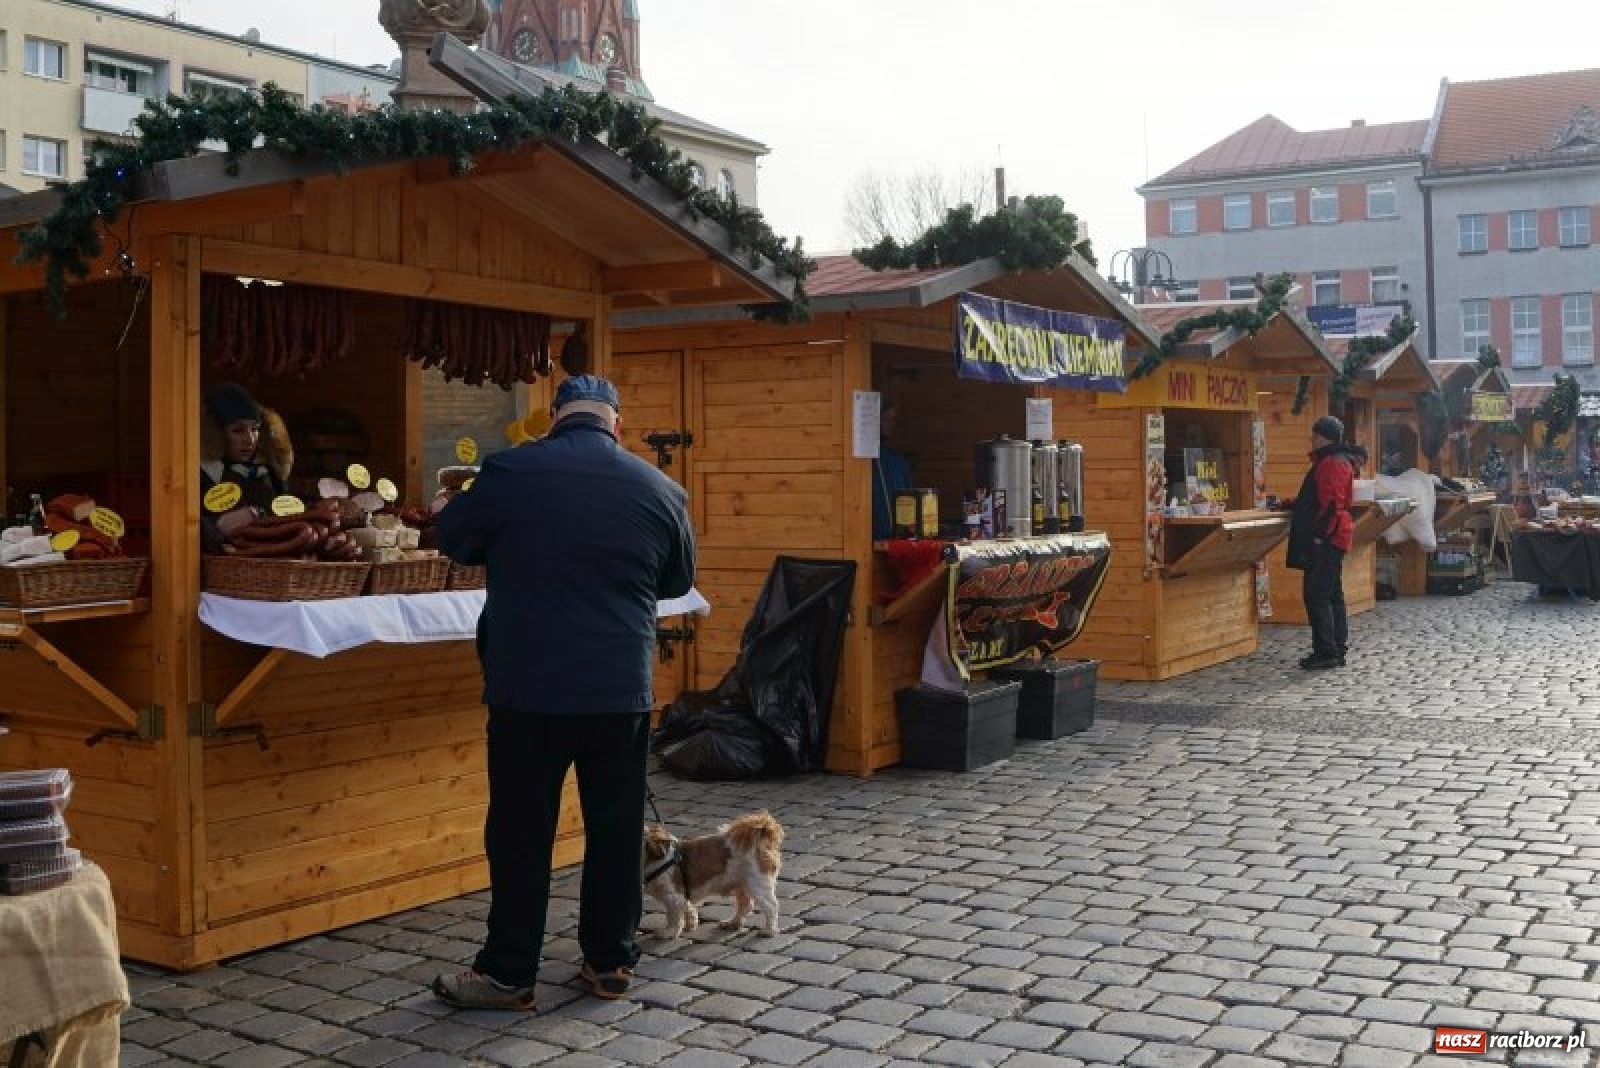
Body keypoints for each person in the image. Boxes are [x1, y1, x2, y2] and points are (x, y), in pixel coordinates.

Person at [431, 374, 696, 1011]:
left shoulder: (509, 471)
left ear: (554, 419)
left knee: (521, 832)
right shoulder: (661, 488)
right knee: (616, 828)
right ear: (617, 425)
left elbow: (454, 539)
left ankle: (507, 974)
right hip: (619, 687)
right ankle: (610, 963)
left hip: (529, 687)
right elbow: (675, 580)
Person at [1284, 414, 1358, 671]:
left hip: (1327, 538)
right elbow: (1322, 499)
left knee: (1317, 595)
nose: (1312, 440)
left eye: (1315, 435)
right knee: (1331, 594)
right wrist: (1296, 504)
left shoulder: (1330, 463)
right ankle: (1336, 647)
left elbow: (1330, 505)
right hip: (1335, 536)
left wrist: (1319, 536)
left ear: (1323, 438)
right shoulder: (1337, 460)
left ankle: (1327, 650)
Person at [200, 382, 292, 551]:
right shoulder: (204, 476)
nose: (250, 439)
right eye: (238, 430)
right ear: (215, 433)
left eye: (255, 429)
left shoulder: (269, 474)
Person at [872, 398, 913, 540]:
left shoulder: (898, 462)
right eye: (885, 419)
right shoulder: (864, 463)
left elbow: (909, 497)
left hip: (898, 537)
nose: (890, 424)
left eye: (893, 419)